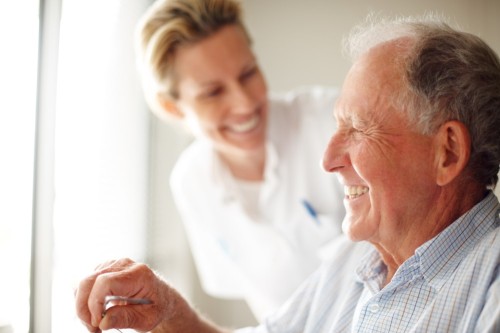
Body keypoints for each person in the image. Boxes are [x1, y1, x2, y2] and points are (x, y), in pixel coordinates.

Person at [75, 16, 500, 333]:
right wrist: (167, 308)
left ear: (446, 153)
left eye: (357, 129)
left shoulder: (488, 283)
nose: (328, 158)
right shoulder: (356, 259)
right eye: (213, 91)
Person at [134, 0, 345, 318]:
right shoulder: (191, 182)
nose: (245, 103)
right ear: (172, 108)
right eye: (213, 92)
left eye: (248, 73)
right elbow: (266, 307)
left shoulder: (331, 122)